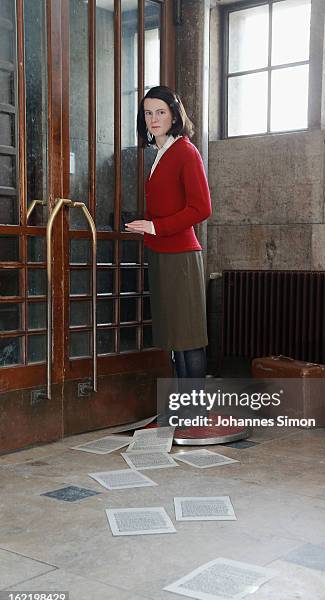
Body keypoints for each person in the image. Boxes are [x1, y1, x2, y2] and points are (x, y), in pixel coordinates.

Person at [125, 85, 211, 383]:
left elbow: (202, 208)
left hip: (181, 257)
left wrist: (155, 226)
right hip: (161, 252)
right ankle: (184, 408)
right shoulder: (161, 152)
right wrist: (150, 229)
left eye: (160, 112)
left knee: (188, 337)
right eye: (148, 113)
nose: (153, 118)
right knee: (174, 339)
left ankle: (194, 411)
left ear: (174, 115)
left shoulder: (186, 151)